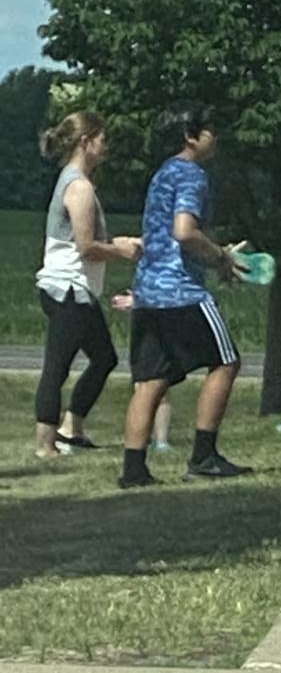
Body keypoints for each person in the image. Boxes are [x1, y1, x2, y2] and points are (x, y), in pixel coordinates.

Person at [118, 105, 248, 489]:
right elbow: (185, 232)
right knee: (226, 362)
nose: (216, 137)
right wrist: (221, 256)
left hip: (148, 291)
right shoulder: (192, 175)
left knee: (151, 380)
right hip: (182, 291)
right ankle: (204, 457)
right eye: (210, 130)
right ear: (191, 136)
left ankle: (134, 470)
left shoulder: (162, 173)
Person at [34, 112, 142, 459]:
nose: (105, 146)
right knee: (57, 367)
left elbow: (90, 241)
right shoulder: (79, 187)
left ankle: (72, 427)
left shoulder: (74, 180)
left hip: (78, 289)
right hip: (68, 288)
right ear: (86, 141)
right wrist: (121, 252)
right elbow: (86, 247)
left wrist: (118, 242)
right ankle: (45, 445)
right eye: (102, 139)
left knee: (104, 358)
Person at [112, 292, 173, 450]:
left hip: (159, 327)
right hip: (144, 327)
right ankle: (143, 437)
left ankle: (161, 440)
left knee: (157, 385)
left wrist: (138, 300)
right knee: (141, 386)